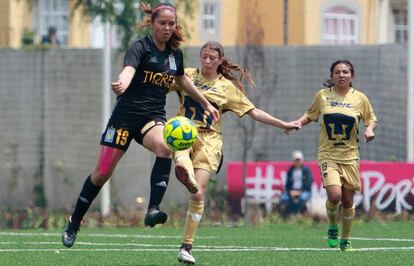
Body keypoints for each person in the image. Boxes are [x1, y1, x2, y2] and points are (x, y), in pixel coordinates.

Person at [61, 3, 220, 248]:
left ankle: (153, 208)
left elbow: (183, 81)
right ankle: (75, 220)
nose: (167, 28)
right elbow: (128, 70)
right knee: (102, 174)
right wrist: (122, 83)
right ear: (152, 24)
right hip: (124, 118)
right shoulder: (140, 47)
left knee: (166, 147)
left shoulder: (174, 55)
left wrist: (205, 102)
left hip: (152, 118)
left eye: (171, 24)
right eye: (162, 23)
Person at [170, 41, 301, 264]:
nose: (208, 61)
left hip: (210, 140)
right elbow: (160, 83)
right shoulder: (187, 75)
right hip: (184, 131)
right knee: (180, 143)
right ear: (200, 57)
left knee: (198, 194)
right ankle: (183, 165)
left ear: (220, 60)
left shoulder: (227, 88)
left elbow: (254, 112)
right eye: (204, 56)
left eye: (212, 58)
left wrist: (283, 124)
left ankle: (186, 247)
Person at [286, 59, 377, 251]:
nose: (341, 75)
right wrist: (297, 124)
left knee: (348, 200)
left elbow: (371, 119)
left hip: (350, 156)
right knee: (335, 196)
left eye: (345, 72)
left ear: (352, 76)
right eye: (337, 72)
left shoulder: (360, 98)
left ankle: (345, 239)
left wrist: (369, 130)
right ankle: (332, 226)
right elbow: (311, 115)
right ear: (332, 76)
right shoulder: (322, 96)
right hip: (328, 154)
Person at [280, 150, 313, 216]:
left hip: (304, 191)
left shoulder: (306, 170)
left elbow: (308, 183)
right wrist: (290, 192)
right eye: (296, 160)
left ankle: (300, 215)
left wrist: (300, 191)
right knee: (284, 199)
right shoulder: (290, 170)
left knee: (301, 199)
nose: (297, 162)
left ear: (302, 160)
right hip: (292, 191)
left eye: (299, 160)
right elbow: (288, 184)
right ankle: (289, 216)